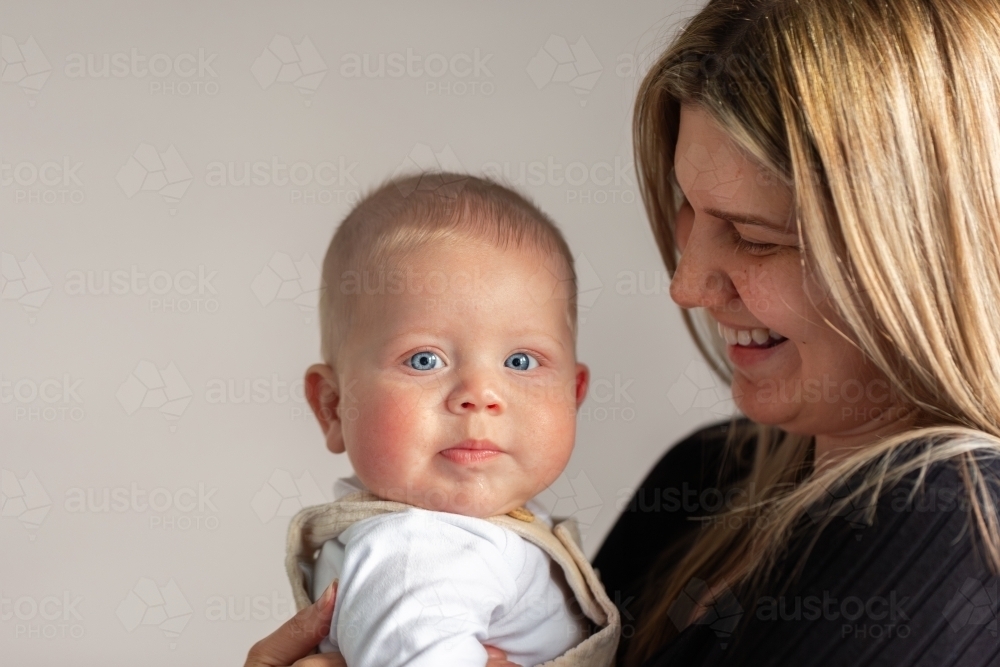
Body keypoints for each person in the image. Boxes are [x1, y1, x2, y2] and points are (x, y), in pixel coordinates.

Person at [247, 0, 1000, 665]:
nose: (686, 283)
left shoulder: (961, 522)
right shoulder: (707, 476)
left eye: (753, 236)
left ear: (921, 255)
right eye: (687, 214)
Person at [278, 173, 619, 667]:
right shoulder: (416, 552)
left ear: (573, 393)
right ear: (334, 405)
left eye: (520, 361)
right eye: (424, 360)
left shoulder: (474, 536)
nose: (479, 396)